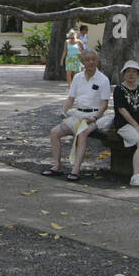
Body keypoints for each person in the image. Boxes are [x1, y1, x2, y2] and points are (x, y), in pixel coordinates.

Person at [43, 50, 110, 180]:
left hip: (94, 116)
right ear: (82, 62)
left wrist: (95, 117)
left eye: (93, 59)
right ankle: (57, 166)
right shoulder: (78, 77)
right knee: (54, 132)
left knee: (82, 134)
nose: (91, 62)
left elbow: (104, 104)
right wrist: (64, 110)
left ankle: (76, 170)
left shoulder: (103, 79)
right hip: (78, 114)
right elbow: (71, 99)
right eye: (87, 59)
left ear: (97, 61)